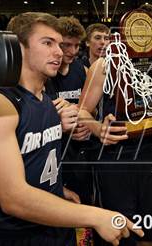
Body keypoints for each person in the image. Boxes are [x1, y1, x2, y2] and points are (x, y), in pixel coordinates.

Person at [0, 12, 143, 246]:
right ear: (18, 47)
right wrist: (96, 215)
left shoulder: (47, 99)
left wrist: (57, 190)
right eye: (47, 43)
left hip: (52, 224)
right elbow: (13, 198)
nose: (59, 52)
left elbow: (35, 159)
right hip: (12, 234)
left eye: (59, 44)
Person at [78, 4, 152, 246]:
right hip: (115, 159)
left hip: (149, 153)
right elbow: (82, 111)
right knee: (118, 236)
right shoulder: (105, 65)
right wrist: (97, 129)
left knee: (151, 233)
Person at [44, 16, 93, 205]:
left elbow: (93, 110)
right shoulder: (44, 74)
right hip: (53, 151)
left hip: (79, 151)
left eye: (77, 46)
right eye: (66, 45)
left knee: (83, 202)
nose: (72, 51)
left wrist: (87, 123)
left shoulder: (82, 70)